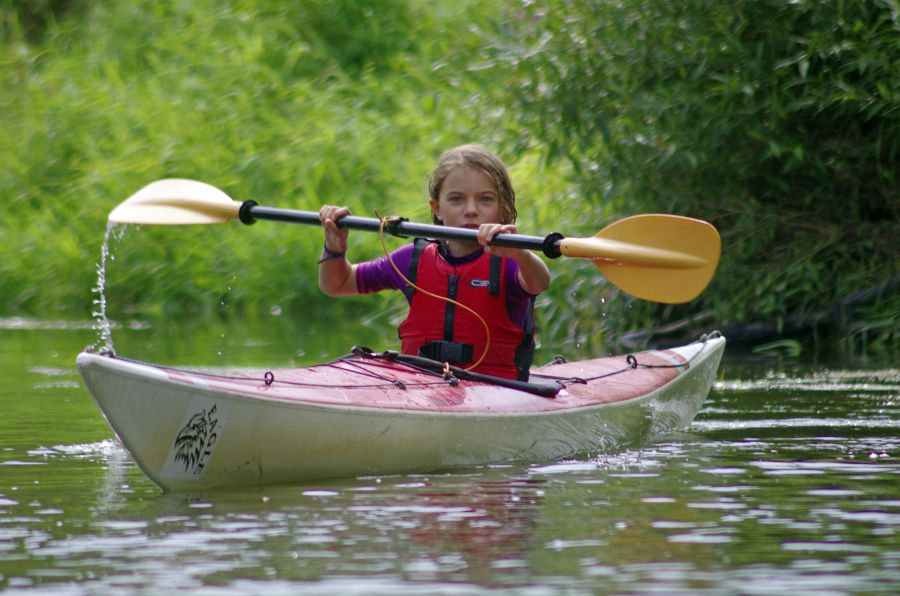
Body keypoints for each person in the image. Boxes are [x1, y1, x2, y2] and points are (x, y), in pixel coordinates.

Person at [318, 144, 551, 380]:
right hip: (421, 389)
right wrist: (335, 248)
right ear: (437, 209)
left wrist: (522, 254)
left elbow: (539, 283)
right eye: (457, 199)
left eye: (485, 199)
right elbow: (338, 284)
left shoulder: (511, 260)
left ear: (501, 208)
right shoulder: (412, 259)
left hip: (497, 391)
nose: (471, 210)